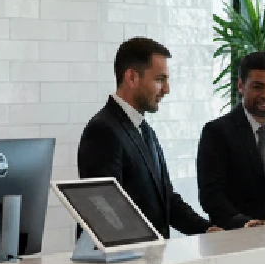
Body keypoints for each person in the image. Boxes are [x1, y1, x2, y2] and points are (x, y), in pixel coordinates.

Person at [78, 37, 219, 237]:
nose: (167, 89)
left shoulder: (145, 130)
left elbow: (166, 199)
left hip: (150, 260)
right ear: (132, 78)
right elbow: (106, 212)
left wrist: (207, 230)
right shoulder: (103, 131)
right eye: (160, 79)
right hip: (125, 263)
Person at [195, 51, 265, 229]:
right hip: (236, 240)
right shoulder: (217, 132)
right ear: (241, 86)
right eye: (258, 87)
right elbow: (211, 196)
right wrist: (244, 223)